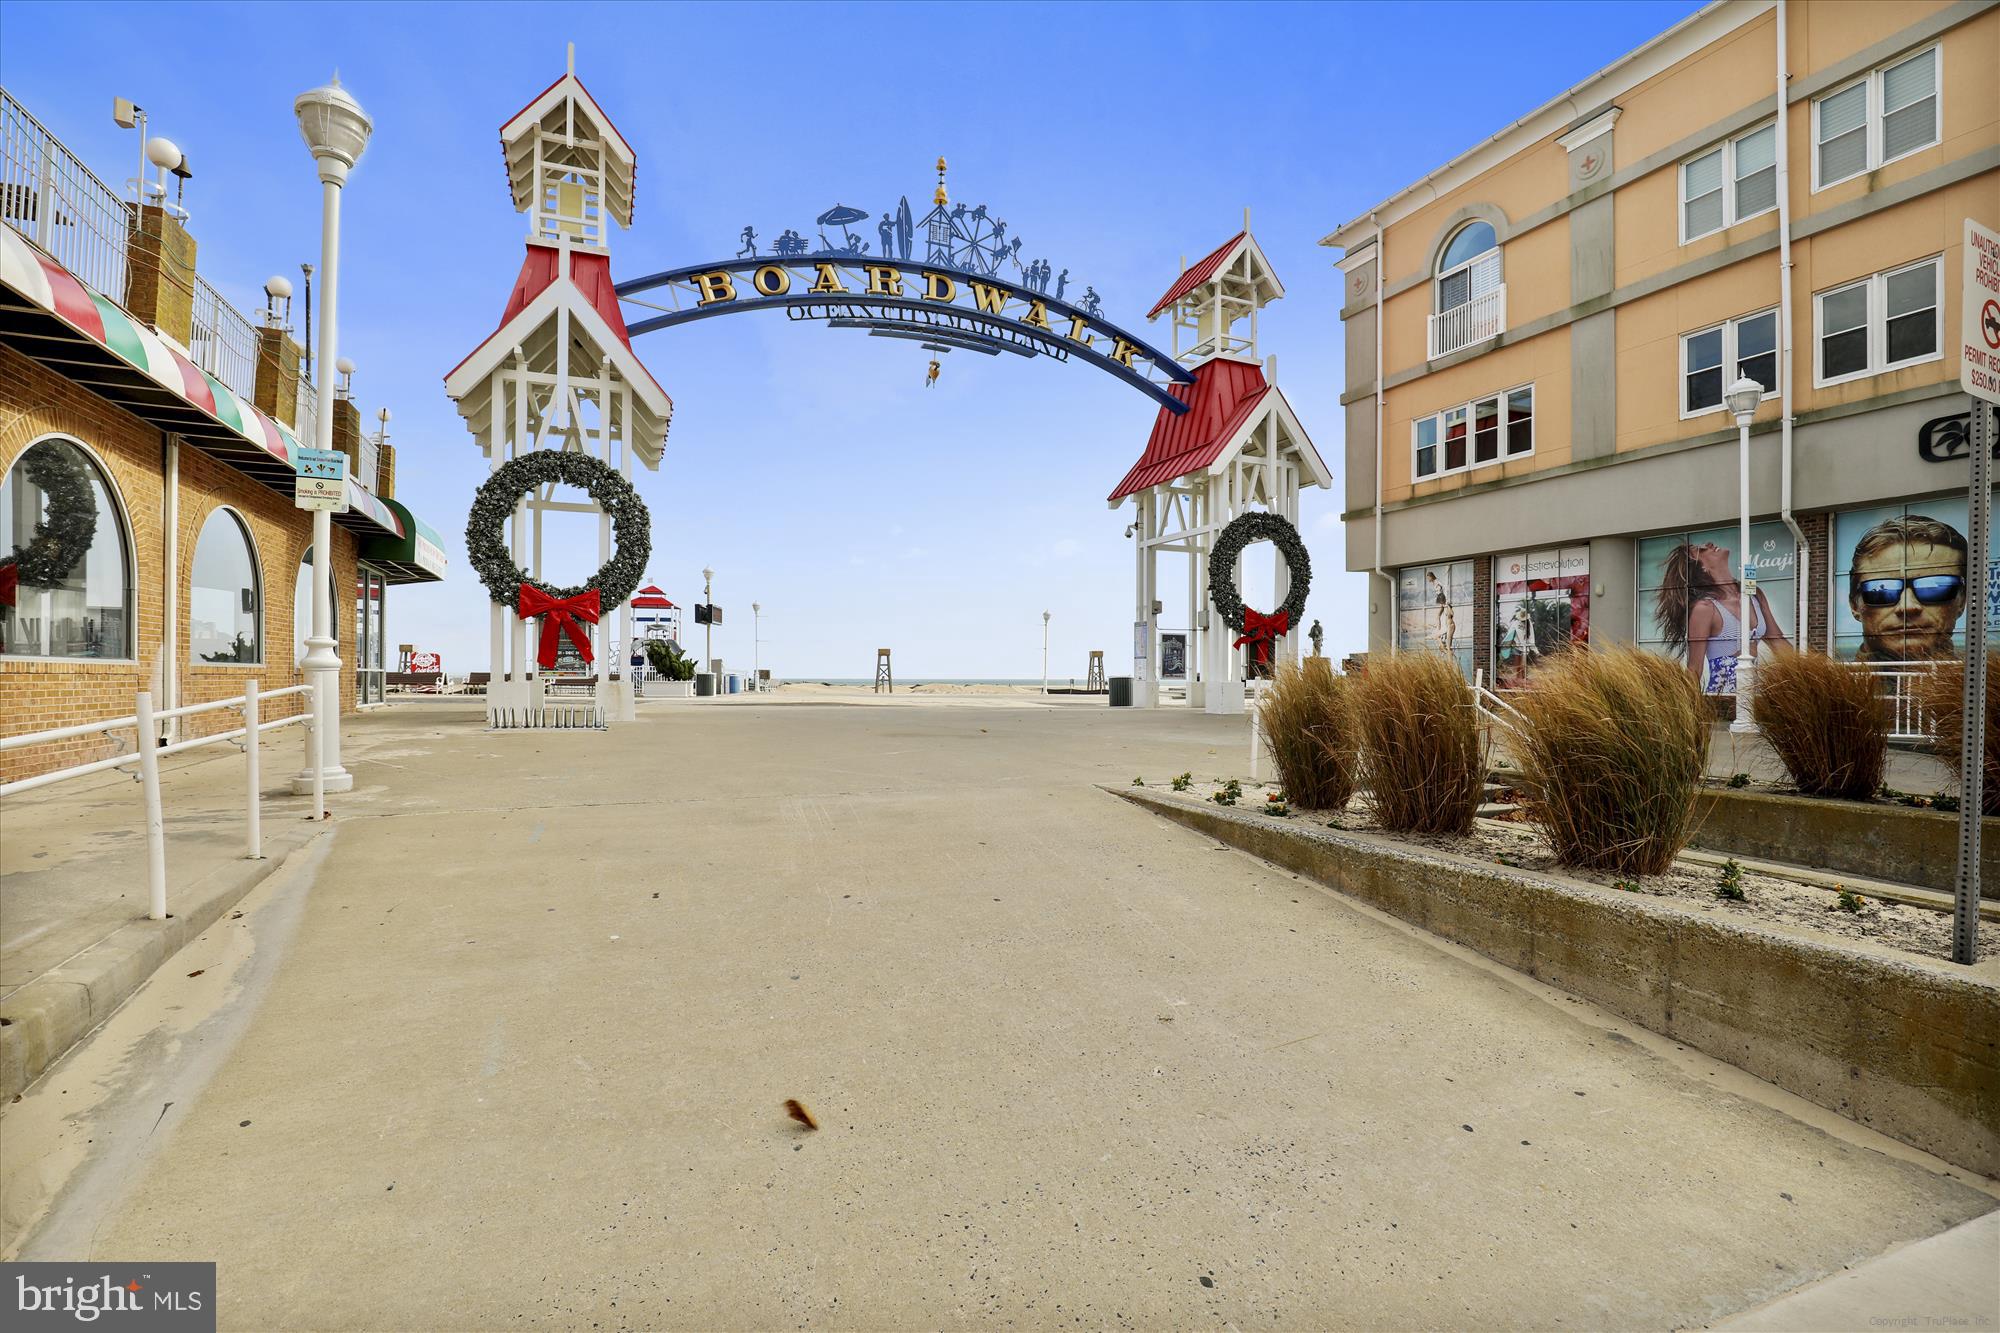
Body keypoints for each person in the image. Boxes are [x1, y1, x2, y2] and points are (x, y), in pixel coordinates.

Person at [1652, 540, 1792, 692]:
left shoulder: (1754, 594)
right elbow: (1694, 669)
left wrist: (1809, 675)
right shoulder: (1705, 609)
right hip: (1724, 701)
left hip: (1753, 699)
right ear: (1702, 568)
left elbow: (1778, 643)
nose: (1708, 544)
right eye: (1700, 550)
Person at [1846, 514, 1969, 661]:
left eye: (1935, 588)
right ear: (1854, 605)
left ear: (1962, 601)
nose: (1907, 607)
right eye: (1881, 590)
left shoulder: (1986, 684)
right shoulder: (1826, 684)